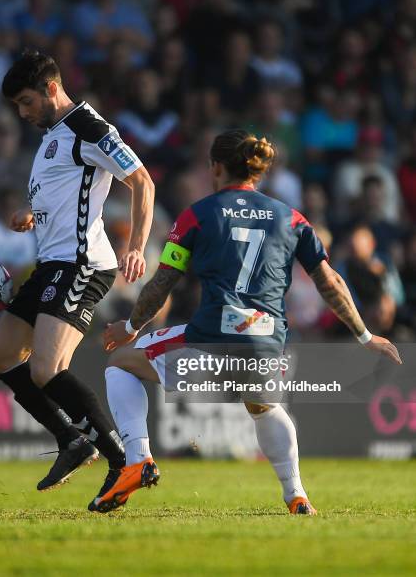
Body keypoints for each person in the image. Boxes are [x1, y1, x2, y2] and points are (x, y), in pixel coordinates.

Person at [92, 129, 402, 514]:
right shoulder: (292, 219)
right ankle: (296, 495)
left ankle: (138, 460)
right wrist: (365, 335)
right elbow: (331, 282)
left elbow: (161, 283)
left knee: (120, 364)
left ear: (216, 167)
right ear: (256, 171)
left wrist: (130, 328)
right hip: (267, 343)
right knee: (264, 406)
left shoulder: (198, 215)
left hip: (207, 341)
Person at [0, 51, 155, 499]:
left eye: (26, 101)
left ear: (51, 89)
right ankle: (71, 439)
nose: (22, 113)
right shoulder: (53, 135)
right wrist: (32, 213)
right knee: (1, 355)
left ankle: (126, 462)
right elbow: (67, 195)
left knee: (45, 368)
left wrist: (136, 245)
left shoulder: (90, 127)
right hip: (51, 263)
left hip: (82, 264)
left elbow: (142, 182)